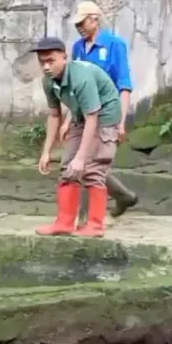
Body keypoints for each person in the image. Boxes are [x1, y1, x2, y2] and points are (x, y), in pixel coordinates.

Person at [33, 36, 122, 237]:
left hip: (104, 117)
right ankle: (64, 223)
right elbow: (54, 114)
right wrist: (46, 152)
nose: (46, 66)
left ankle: (96, 225)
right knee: (68, 168)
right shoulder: (48, 81)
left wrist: (81, 158)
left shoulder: (81, 77)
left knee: (92, 169)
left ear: (64, 58)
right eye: (42, 62)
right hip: (81, 117)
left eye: (51, 60)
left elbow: (94, 117)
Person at [65, 1, 138, 225]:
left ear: (95, 20)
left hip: (107, 114)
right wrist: (68, 119)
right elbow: (76, 86)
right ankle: (125, 196)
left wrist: (121, 123)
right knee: (84, 163)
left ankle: (86, 219)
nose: (79, 27)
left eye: (82, 22)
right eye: (76, 24)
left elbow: (124, 86)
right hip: (83, 114)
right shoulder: (78, 48)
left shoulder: (115, 45)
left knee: (88, 165)